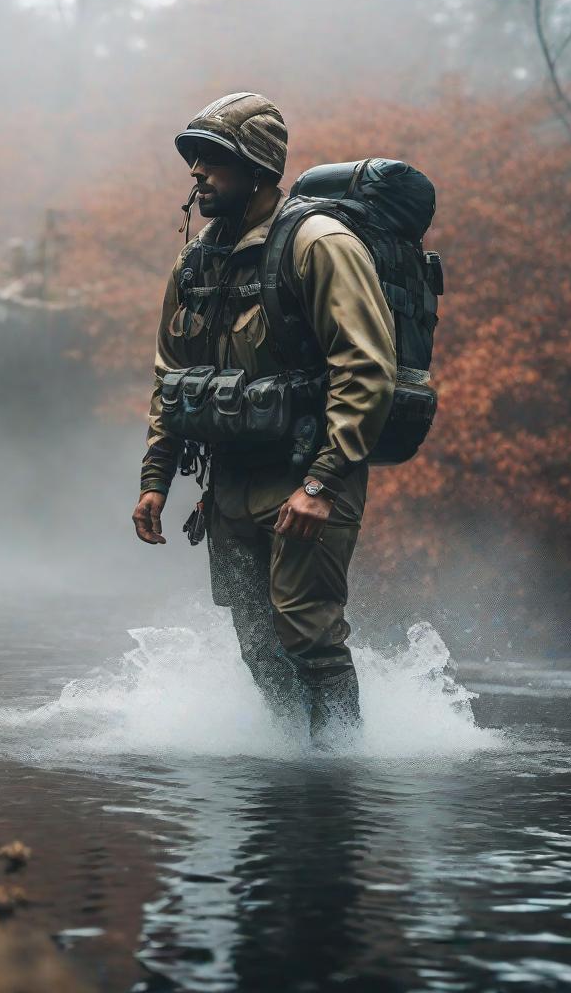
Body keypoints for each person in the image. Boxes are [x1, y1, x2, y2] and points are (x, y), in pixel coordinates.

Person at [131, 92, 396, 743]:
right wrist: (156, 477)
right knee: (255, 642)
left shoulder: (317, 243)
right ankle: (290, 771)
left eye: (213, 159)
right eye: (193, 159)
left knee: (308, 633)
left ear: (258, 168)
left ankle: (340, 776)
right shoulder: (196, 262)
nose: (196, 172)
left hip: (306, 472)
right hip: (229, 483)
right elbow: (172, 377)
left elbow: (366, 369)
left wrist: (321, 484)